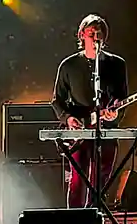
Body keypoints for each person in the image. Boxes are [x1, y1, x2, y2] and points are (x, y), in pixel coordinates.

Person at [51, 14, 128, 209]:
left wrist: (116, 113)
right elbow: (57, 100)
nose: (96, 38)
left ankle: (96, 220)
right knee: (78, 180)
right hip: (79, 132)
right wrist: (68, 119)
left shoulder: (117, 64)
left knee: (101, 182)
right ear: (81, 35)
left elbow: (122, 97)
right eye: (91, 33)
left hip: (106, 129)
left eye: (99, 34)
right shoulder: (69, 65)